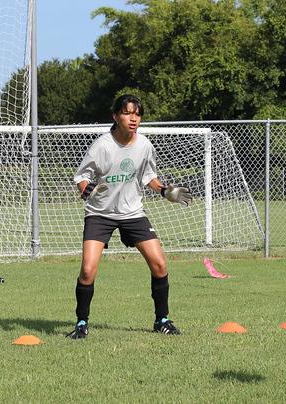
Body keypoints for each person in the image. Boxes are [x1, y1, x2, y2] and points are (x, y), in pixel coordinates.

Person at [67, 94, 192, 339]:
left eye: (137, 114)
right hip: (100, 214)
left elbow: (148, 177)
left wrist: (165, 190)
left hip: (132, 213)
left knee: (159, 265)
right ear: (115, 116)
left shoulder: (144, 145)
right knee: (87, 271)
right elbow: (81, 177)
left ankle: (162, 320)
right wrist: (87, 189)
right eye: (127, 113)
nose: (133, 118)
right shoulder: (102, 145)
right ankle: (81, 324)